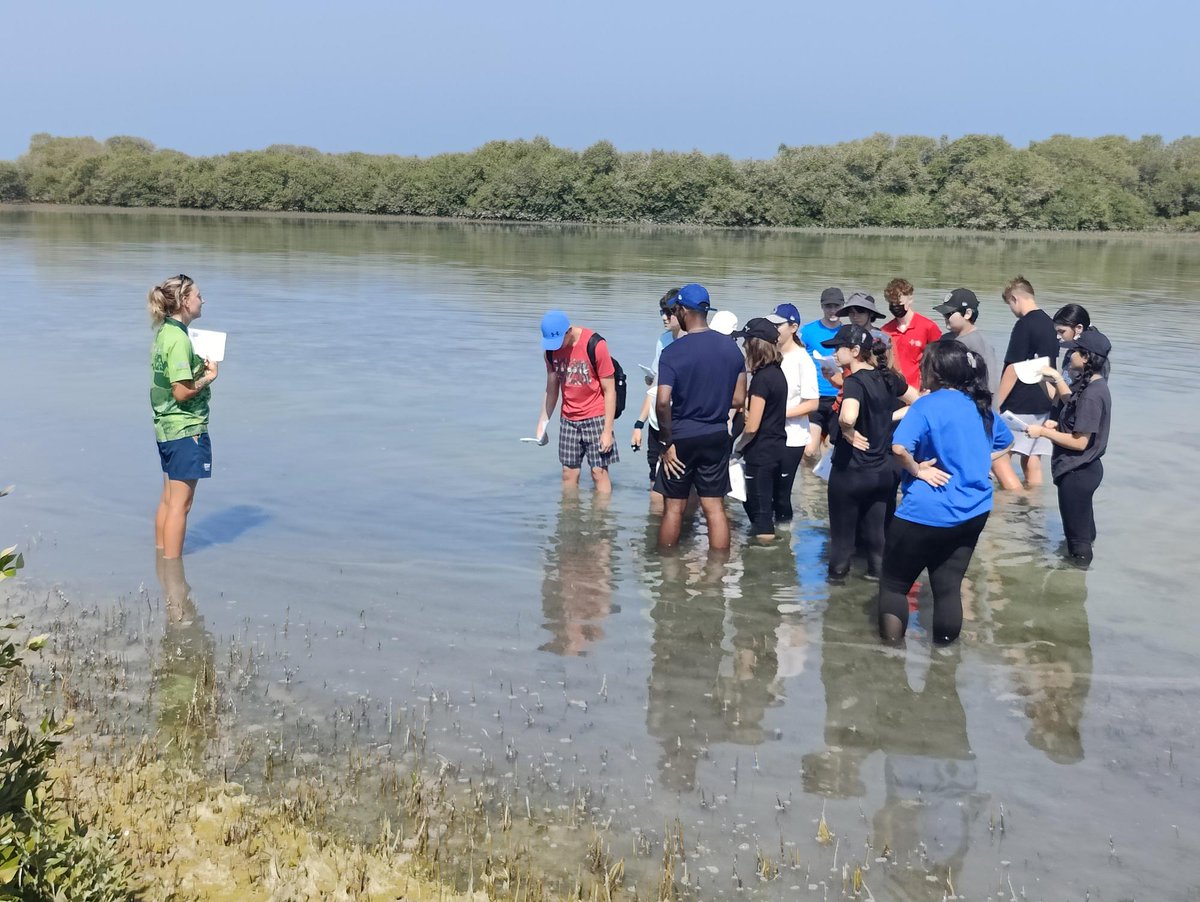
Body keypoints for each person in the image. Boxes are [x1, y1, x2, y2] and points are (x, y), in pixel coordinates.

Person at [879, 340, 1014, 644]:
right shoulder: (981, 405)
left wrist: (917, 470)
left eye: (924, 364)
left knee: (894, 585)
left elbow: (899, 448)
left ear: (937, 371)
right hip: (973, 512)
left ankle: (888, 659)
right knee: (948, 588)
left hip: (924, 512)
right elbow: (1006, 443)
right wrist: (975, 462)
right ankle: (945, 660)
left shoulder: (927, 404)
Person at [654, 284, 748, 551]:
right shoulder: (732, 350)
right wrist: (712, 400)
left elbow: (662, 402)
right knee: (714, 507)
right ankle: (717, 572)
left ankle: (666, 568)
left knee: (674, 508)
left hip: (681, 437)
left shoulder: (672, 352)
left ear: (683, 310)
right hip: (716, 434)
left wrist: (666, 442)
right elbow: (740, 400)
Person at [820, 324, 910, 582]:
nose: (835, 353)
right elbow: (919, 401)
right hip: (882, 472)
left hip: (851, 473)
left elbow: (848, 416)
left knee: (841, 540)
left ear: (856, 351)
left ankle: (836, 590)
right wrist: (887, 418)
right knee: (876, 536)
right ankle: (876, 582)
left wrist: (846, 430)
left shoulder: (854, 382)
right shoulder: (889, 377)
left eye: (839, 348)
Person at [1026, 330, 1112, 566]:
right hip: (1086, 469)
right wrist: (1053, 382)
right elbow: (1070, 403)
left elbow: (1080, 441)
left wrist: (1043, 432)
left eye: (1075, 351)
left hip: (1077, 472)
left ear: (1086, 357)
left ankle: (1073, 585)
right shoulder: (1093, 384)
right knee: (1086, 531)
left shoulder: (1092, 395)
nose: (1070, 354)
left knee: (1077, 541)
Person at [149, 274, 218, 560]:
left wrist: (196, 370)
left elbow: (172, 381)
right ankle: (174, 578)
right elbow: (181, 392)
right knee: (181, 504)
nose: (203, 300)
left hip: (167, 426)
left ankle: (162, 563)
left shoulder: (166, 331)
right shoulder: (178, 339)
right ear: (184, 301)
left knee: (169, 499)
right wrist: (209, 377)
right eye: (199, 295)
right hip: (184, 428)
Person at [534, 310, 619, 493]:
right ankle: (568, 519)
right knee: (568, 473)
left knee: (599, 472)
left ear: (569, 331)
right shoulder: (550, 353)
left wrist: (607, 431)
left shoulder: (595, 344)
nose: (555, 347)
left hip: (596, 417)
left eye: (558, 342)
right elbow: (551, 390)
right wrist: (542, 423)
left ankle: (602, 519)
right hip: (568, 419)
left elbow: (610, 390)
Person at [995, 276, 1059, 487]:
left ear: (1014, 298)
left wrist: (997, 404)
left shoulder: (1024, 325)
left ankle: (1009, 503)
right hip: (1044, 401)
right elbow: (1050, 367)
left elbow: (1013, 368)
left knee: (1000, 457)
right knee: (1032, 459)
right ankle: (1033, 506)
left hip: (1019, 403)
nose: (1012, 310)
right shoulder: (1050, 324)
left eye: (1009, 305)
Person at [732, 318, 790, 540]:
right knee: (768, 507)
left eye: (746, 342)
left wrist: (739, 447)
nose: (744, 347)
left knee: (760, 514)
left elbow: (753, 425)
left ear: (755, 345)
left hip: (761, 452)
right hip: (777, 448)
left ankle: (763, 565)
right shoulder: (778, 374)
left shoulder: (762, 379)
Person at [767, 303, 819, 523]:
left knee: (781, 494)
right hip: (769, 433)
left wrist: (780, 413)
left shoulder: (802, 359)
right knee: (764, 491)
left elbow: (812, 403)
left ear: (793, 327)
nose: (773, 329)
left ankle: (784, 541)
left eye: (777, 325)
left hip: (793, 436)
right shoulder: (770, 354)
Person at [631, 289, 682, 507]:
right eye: (662, 312)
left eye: (668, 312)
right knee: (654, 480)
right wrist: (638, 424)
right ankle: (654, 531)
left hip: (679, 421)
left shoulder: (692, 342)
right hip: (656, 421)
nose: (664, 317)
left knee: (680, 481)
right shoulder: (663, 340)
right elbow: (655, 387)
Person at [799, 288, 844, 456]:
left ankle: (823, 481)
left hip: (838, 395)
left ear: (843, 306)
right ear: (822, 306)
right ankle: (808, 482)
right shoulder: (808, 331)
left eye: (837, 306)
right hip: (814, 395)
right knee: (809, 451)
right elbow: (797, 357)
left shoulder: (847, 333)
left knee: (830, 449)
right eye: (828, 306)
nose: (833, 311)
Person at [933, 288, 999, 397]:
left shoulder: (980, 344)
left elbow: (990, 384)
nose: (945, 317)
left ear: (967, 313)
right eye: (944, 313)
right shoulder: (944, 340)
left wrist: (990, 410)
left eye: (949, 313)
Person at [881, 278, 941, 390]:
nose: (895, 307)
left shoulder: (928, 327)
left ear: (910, 299)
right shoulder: (885, 331)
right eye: (891, 303)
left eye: (899, 303)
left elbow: (938, 360)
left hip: (919, 390)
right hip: (893, 389)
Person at [1051, 303, 1110, 392]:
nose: (1057, 337)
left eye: (1062, 332)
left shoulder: (1088, 358)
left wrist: (1056, 377)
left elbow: (1069, 399)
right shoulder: (1071, 353)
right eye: (1056, 332)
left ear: (1079, 328)